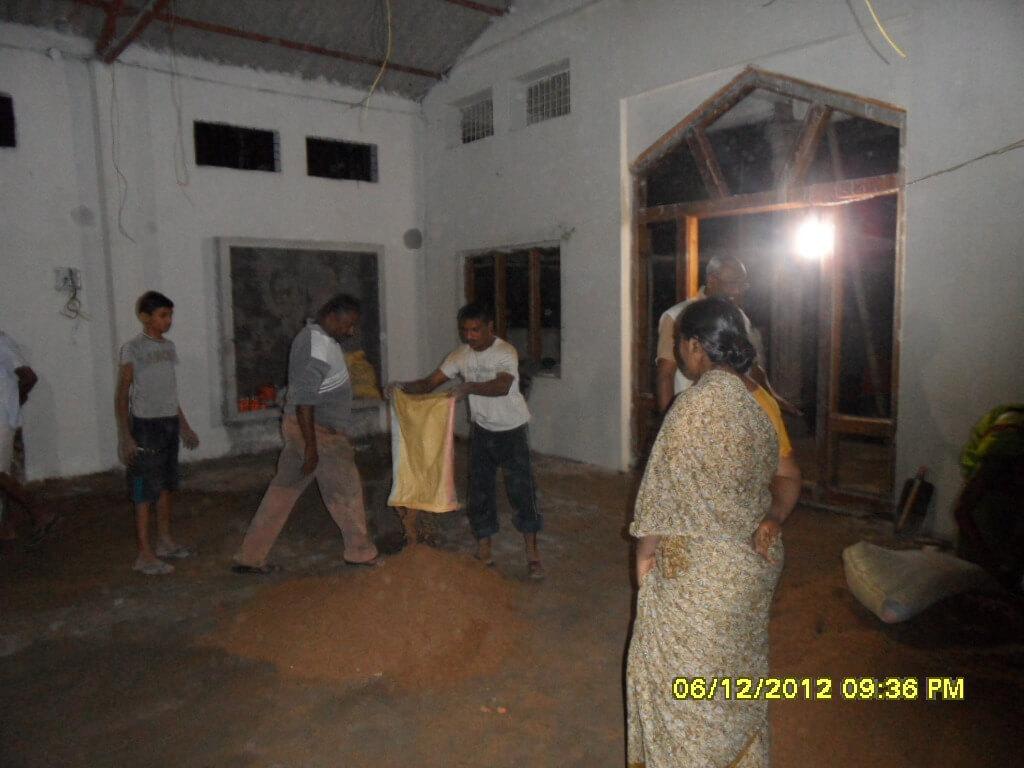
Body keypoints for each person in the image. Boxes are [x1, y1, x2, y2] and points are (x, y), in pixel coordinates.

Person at [627, 297, 797, 768]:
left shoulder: (690, 408)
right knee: (734, 675)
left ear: (696, 347)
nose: (679, 352)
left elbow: (659, 497)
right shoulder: (758, 404)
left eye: (680, 343)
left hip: (705, 575)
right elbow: (784, 476)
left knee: (678, 685)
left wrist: (645, 560)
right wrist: (772, 518)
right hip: (754, 565)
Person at [392, 303, 544, 579]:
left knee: (522, 492)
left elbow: (503, 386)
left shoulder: (505, 352)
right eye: (465, 331)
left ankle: (533, 555)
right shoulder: (460, 356)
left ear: (490, 328)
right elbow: (429, 383)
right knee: (480, 493)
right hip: (482, 432)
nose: (470, 336)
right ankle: (484, 551)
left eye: (476, 330)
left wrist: (468, 387)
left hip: (512, 431)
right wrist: (400, 387)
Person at [233, 294, 379, 574]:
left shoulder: (318, 339)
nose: (351, 331)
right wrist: (312, 447)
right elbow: (304, 403)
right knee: (346, 490)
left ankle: (250, 556)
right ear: (332, 317)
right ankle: (360, 552)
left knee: (282, 492)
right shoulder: (316, 346)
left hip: (307, 429)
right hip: (317, 433)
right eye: (347, 324)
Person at [116, 292, 200, 575]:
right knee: (143, 491)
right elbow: (122, 394)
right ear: (145, 317)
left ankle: (164, 542)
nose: (168, 320)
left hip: (168, 424)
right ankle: (145, 554)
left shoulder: (169, 347)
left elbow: (169, 392)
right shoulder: (133, 349)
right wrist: (126, 436)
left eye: (170, 315)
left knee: (165, 486)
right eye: (163, 315)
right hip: (145, 427)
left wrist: (184, 425)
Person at [654, 255, 796, 416]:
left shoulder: (739, 317)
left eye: (742, 285)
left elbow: (752, 368)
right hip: (696, 416)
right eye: (732, 283)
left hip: (736, 414)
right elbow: (665, 375)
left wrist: (773, 399)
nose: (738, 291)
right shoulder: (677, 316)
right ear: (711, 280)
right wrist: (667, 420)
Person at [0, 330, 58, 544]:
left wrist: (16, 400)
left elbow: (29, 376)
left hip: (2, 419)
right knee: (4, 475)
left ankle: (39, 512)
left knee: (2, 475)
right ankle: (8, 526)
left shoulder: (2, 343)